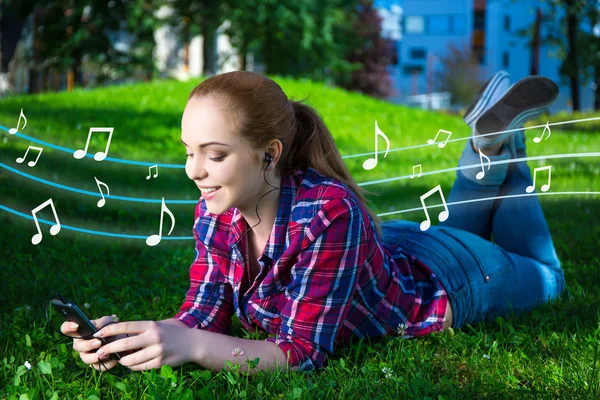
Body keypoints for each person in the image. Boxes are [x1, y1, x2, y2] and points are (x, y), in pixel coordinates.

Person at [61, 70, 565, 374]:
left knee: (550, 276)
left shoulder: (330, 213)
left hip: (453, 281)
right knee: (468, 222)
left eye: (214, 155)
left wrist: (190, 346)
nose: (194, 171)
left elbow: (302, 352)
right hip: (398, 247)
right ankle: (489, 143)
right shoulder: (216, 214)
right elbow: (203, 313)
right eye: (190, 152)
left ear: (268, 154)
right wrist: (135, 336)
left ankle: (499, 144)